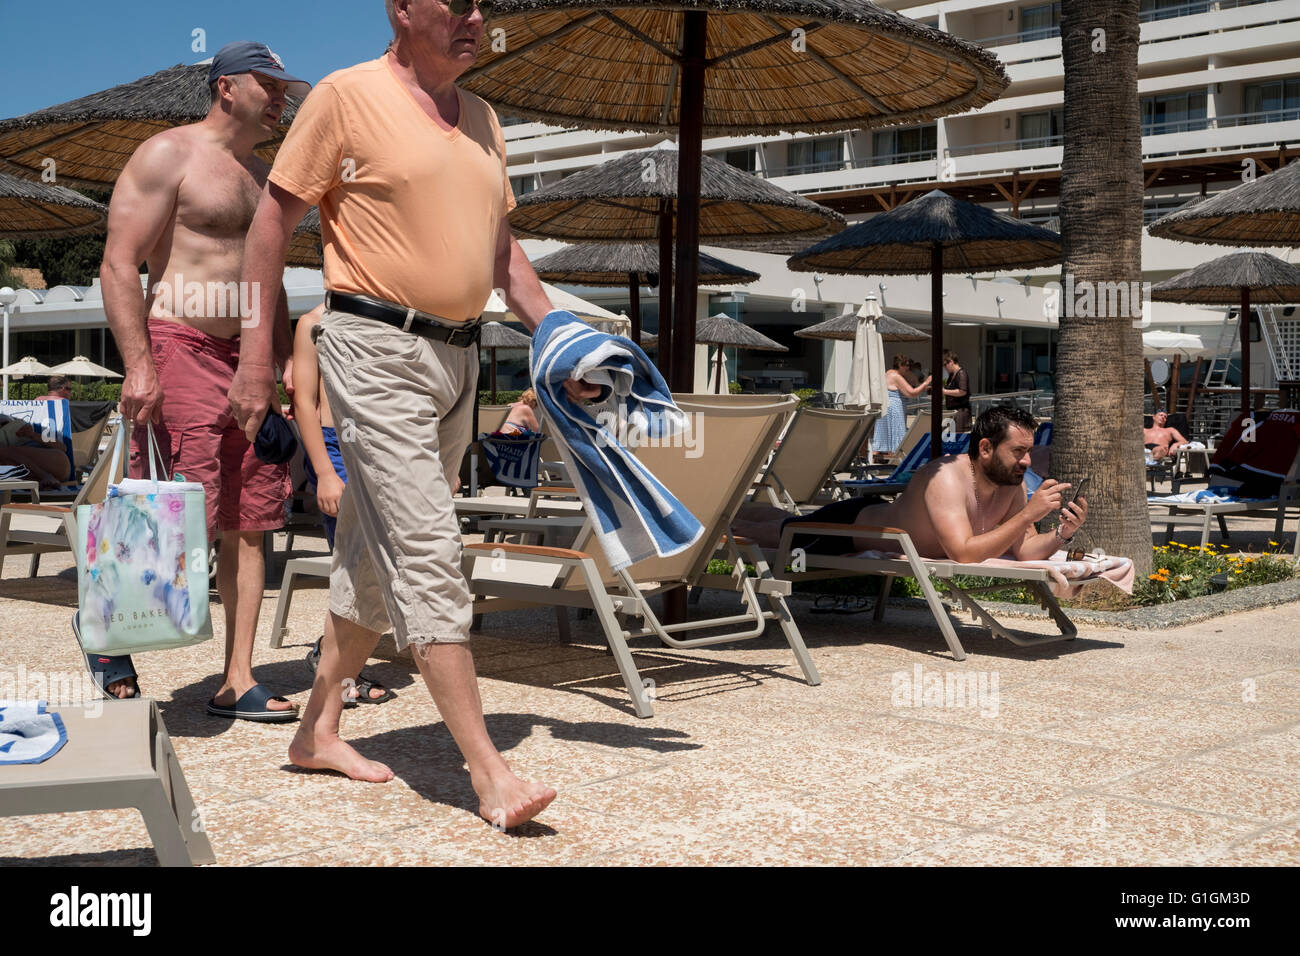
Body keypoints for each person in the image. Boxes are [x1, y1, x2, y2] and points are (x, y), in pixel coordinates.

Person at [230, 0, 595, 827]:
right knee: (429, 547)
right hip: (373, 344)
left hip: (464, 355)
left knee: (369, 554)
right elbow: (269, 223)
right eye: (456, 0)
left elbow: (502, 256)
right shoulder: (344, 97)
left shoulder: (485, 120)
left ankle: (316, 731)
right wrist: (257, 356)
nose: (475, 16)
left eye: (483, 5)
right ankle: (489, 773)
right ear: (399, 8)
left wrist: (565, 336)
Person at [98, 41, 307, 714]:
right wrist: (139, 364)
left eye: (284, 88)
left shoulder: (264, 175)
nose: (282, 98)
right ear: (225, 88)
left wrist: (280, 361)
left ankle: (237, 678)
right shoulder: (168, 154)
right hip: (178, 342)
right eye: (268, 85)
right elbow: (118, 262)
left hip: (244, 361)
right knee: (173, 510)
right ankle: (109, 634)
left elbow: (264, 283)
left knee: (252, 517)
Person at [733, 405, 1086, 563]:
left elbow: (1024, 550)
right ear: (985, 448)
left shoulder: (1012, 484)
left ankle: (740, 511)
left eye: (1029, 451)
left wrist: (1061, 534)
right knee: (771, 532)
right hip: (846, 527)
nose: (1027, 461)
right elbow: (962, 553)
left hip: (864, 518)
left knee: (775, 521)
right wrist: (1028, 516)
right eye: (1019, 451)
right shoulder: (945, 477)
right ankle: (719, 518)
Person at [291, 303, 393, 704]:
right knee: (351, 564)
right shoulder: (313, 324)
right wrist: (325, 472)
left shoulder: (387, 317)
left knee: (380, 564)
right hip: (336, 448)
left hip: (383, 445)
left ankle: (331, 656)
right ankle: (342, 673)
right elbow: (303, 403)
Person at [871, 354, 929, 456]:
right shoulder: (896, 377)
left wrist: (909, 375)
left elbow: (914, 382)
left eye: (909, 366)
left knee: (883, 436)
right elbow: (912, 393)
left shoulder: (888, 373)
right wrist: (926, 382)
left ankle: (876, 462)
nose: (908, 368)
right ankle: (895, 461)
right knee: (896, 435)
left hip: (885, 407)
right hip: (894, 409)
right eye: (906, 365)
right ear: (899, 365)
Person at [0, 414, 72, 488]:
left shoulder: (32, 438)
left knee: (5, 452)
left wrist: (32, 435)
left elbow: (63, 448)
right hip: (55, 476)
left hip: (57, 462)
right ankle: (43, 480)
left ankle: (45, 476)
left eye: (4, 424)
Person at [941, 349, 972, 433]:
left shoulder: (961, 373)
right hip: (953, 411)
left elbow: (962, 391)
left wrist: (945, 391)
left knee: (958, 438)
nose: (944, 367)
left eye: (945, 364)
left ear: (951, 362)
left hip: (961, 412)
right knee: (950, 438)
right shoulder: (952, 375)